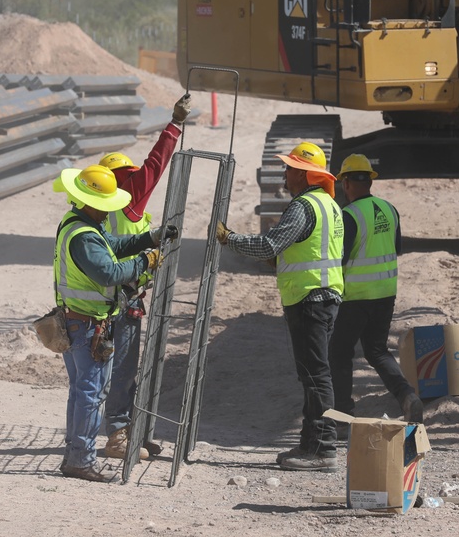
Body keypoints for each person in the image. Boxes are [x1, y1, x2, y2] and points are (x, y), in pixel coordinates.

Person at [215, 141, 344, 472]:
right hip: (325, 297)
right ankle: (311, 444)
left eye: (289, 168)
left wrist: (230, 239)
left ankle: (322, 449)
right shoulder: (329, 205)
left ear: (303, 174)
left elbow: (270, 245)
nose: (285, 174)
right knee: (315, 374)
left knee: (315, 376)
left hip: (308, 299)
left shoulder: (303, 207)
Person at [52, 164, 161, 482]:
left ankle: (74, 455)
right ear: (92, 203)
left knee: (80, 391)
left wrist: (148, 239)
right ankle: (81, 460)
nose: (107, 212)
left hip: (75, 322)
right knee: (90, 393)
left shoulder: (77, 223)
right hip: (88, 325)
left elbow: (113, 245)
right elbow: (109, 273)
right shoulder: (85, 236)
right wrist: (145, 261)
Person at [99, 94, 192, 462]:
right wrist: (174, 124)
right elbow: (156, 163)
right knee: (121, 368)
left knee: (119, 368)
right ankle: (119, 434)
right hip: (120, 297)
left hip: (112, 294)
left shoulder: (104, 207)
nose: (140, 179)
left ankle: (131, 429)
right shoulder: (127, 196)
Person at [329, 154, 422, 434]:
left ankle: (343, 416)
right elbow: (395, 249)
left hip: (356, 296)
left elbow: (339, 259)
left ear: (345, 183)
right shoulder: (390, 209)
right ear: (370, 180)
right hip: (385, 294)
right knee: (377, 350)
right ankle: (407, 396)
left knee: (340, 353)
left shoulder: (349, 216)